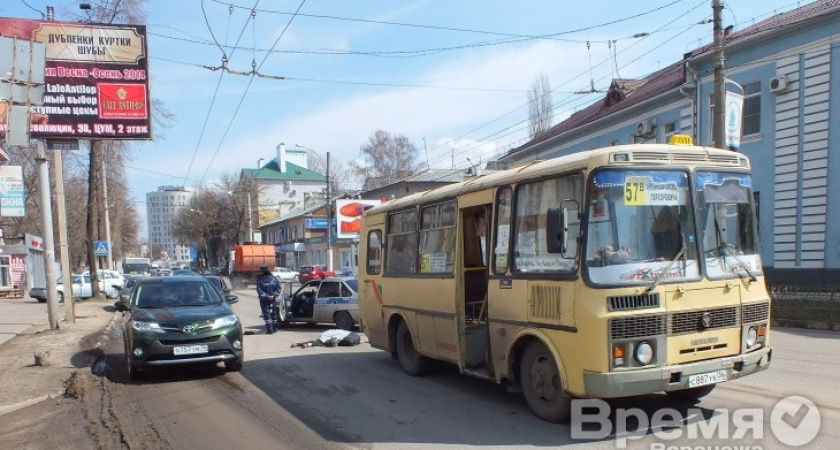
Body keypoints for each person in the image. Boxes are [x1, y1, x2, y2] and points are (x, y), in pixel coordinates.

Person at [256, 265, 280, 334]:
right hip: (273, 299)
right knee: (274, 314)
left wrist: (266, 296)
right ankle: (275, 328)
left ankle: (270, 330)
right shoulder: (274, 278)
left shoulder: (260, 279)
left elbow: (259, 290)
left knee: (267, 314)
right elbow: (279, 288)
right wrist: (274, 295)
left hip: (264, 300)